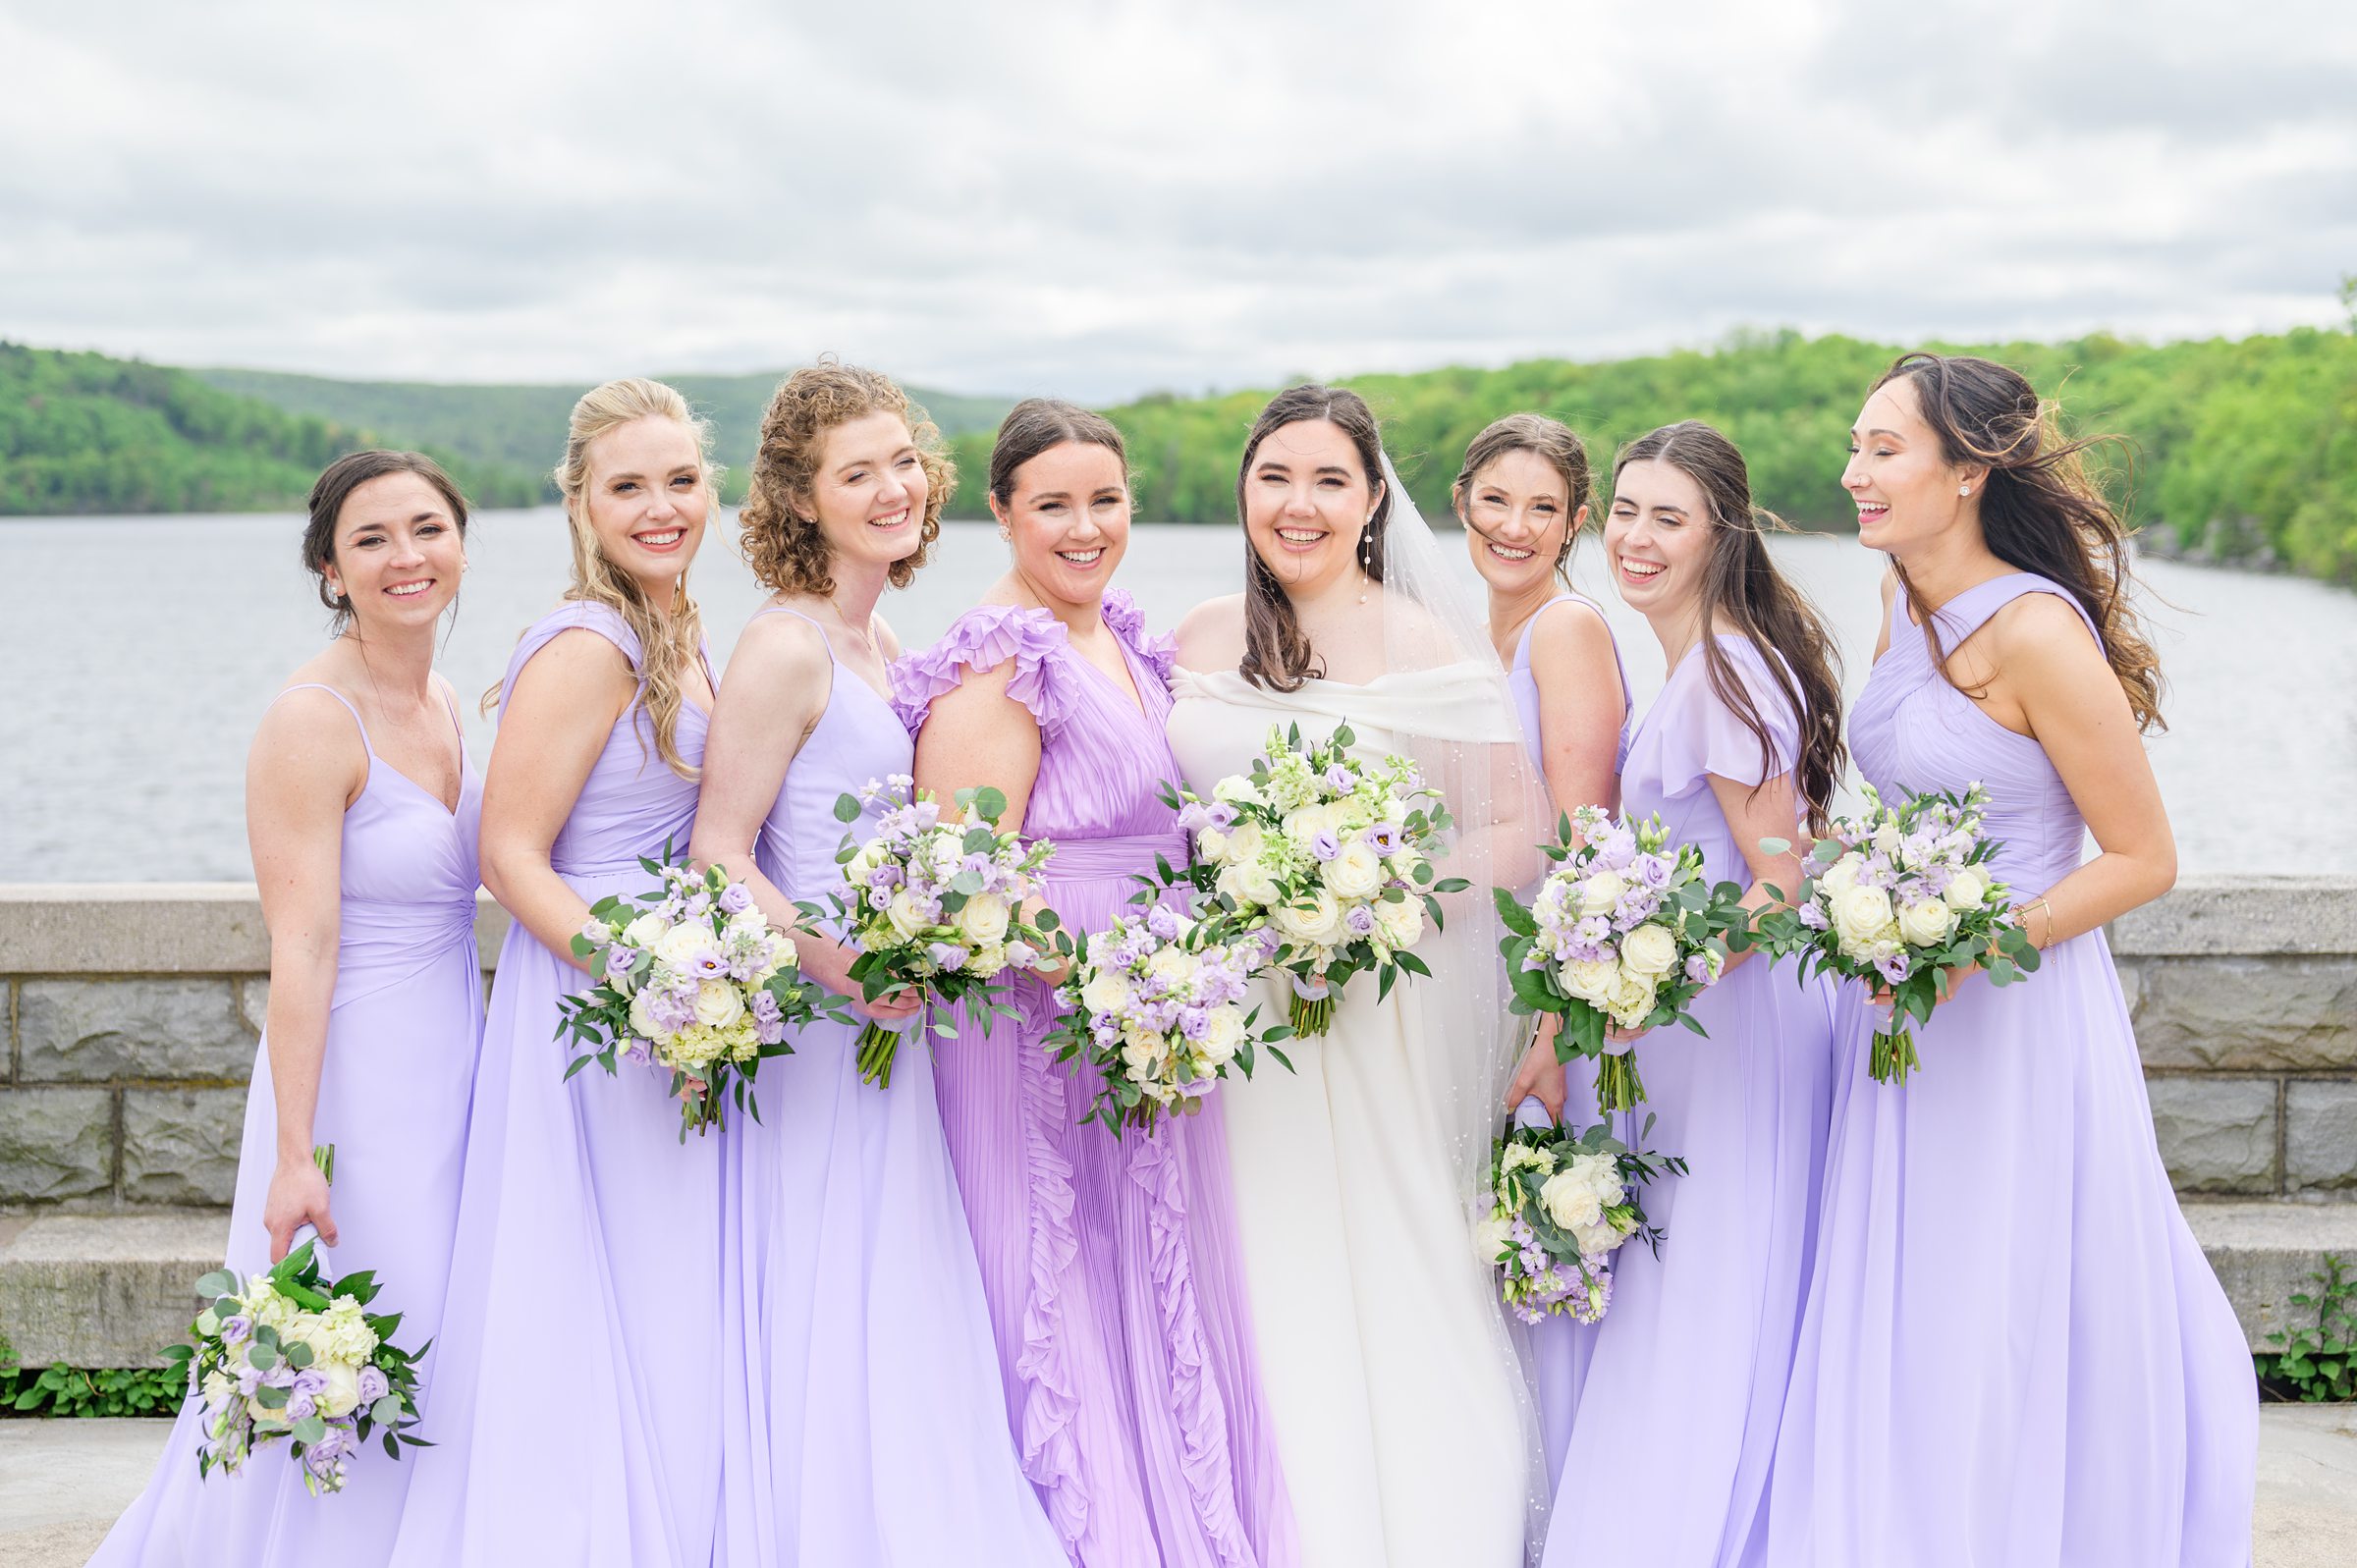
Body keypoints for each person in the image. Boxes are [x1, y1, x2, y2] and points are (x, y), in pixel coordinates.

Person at [1759, 353, 2257, 1567]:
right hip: (1903, 1015)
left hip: (2016, 1015)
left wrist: (1976, 944)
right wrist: (1854, 892)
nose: (1853, 472)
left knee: (2000, 1296)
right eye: (1856, 445)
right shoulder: (1900, 606)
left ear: (1969, 472)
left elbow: (2142, 856)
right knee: (1915, 1302)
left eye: (1884, 449)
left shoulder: (2036, 632)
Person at [894, 398, 1294, 1568]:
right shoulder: (995, 659)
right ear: (1002, 510)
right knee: (1057, 1276)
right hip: (1046, 1013)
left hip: (1148, 1005)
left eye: (1105, 501)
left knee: (1153, 1266)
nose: (1085, 528)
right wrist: (1104, 985)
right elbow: (968, 879)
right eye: (1053, 505)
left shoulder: (1119, 632)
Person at [1166, 384, 1548, 1566]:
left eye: (1331, 479)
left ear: (1374, 499)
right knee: (1255, 1262)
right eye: (1277, 475)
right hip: (1236, 1025)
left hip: (1364, 1010)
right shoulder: (1192, 635)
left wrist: (1370, 906)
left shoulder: (1419, 641)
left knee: (1385, 1254)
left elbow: (1518, 831)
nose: (1300, 503)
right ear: (1244, 489)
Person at [690, 362, 1064, 1565]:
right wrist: (841, 964)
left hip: (894, 1024)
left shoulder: (881, 633)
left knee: (896, 1298)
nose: (895, 487)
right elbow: (720, 852)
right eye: (858, 472)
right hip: (820, 1026)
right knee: (832, 1292)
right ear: (801, 499)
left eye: (904, 461)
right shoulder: (786, 648)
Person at [91, 451, 484, 1565]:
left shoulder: (450, 700)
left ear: (460, 542)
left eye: (426, 529)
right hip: (355, 1076)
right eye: (372, 540)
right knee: (361, 1324)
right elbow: (302, 947)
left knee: (443, 1327)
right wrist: (294, 1152)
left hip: (456, 1057)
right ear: (330, 568)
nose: (406, 557)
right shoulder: (311, 721)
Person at [388, 379, 725, 1568]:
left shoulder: (671, 629)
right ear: (580, 500)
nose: (661, 505)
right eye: (627, 485)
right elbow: (509, 854)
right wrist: (651, 983)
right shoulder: (591, 643)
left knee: (650, 1286)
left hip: (667, 993)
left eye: (680, 479)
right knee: (595, 1285)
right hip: (601, 997)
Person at [1541, 421, 1842, 1568]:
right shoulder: (1704, 659)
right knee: (1699, 1271)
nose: (1635, 536)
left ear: (1722, 529)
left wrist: (1658, 979)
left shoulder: (1725, 671)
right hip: (1688, 1028)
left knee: (1716, 1280)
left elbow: (1780, 882)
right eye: (1623, 511)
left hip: (1725, 1031)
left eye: (1668, 517)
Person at [1456, 413, 1633, 1483]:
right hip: (1469, 974)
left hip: (1534, 987)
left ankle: (1557, 1503)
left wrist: (1555, 1025)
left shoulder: (1565, 629)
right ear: (1461, 502)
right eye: (1494, 500)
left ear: (1575, 522)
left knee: (1535, 1245)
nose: (1513, 527)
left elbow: (1584, 840)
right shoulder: (1468, 632)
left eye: (1541, 508)